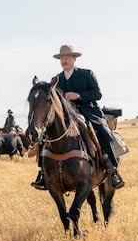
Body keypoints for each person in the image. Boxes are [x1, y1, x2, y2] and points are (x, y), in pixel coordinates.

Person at [31, 44, 125, 190]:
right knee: (45, 137)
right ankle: (43, 174)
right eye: (62, 58)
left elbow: (97, 94)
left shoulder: (87, 74)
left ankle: (112, 170)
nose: (64, 61)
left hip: (89, 112)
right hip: (66, 116)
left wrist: (78, 96)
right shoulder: (56, 80)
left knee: (103, 132)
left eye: (67, 58)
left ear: (74, 59)